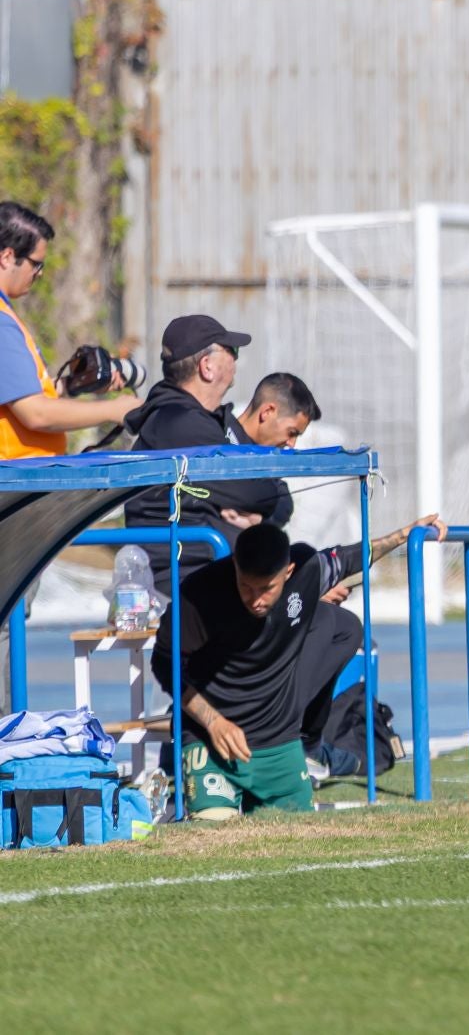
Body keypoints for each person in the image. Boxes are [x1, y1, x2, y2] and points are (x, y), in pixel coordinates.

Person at [157, 515, 445, 820]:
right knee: (213, 838)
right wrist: (214, 722)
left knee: (294, 841)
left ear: (288, 572)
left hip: (278, 744)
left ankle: (308, 742)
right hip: (212, 742)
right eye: (246, 586)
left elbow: (352, 557)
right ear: (235, 568)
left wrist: (403, 534)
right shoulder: (199, 596)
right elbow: (164, 665)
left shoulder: (308, 570)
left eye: (266, 588)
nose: (255, 600)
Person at [122, 316, 290, 595]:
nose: (236, 361)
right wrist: (254, 501)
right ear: (207, 366)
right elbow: (259, 493)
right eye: (231, 352)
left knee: (310, 570)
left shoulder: (204, 420)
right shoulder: (180, 423)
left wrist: (256, 510)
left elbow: (274, 495)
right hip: (185, 578)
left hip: (209, 566)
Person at [0, 201, 140, 459]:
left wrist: (73, 385)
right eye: (36, 264)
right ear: (7, 257)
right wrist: (114, 410)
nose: (39, 274)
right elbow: (36, 414)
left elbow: (15, 396)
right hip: (11, 487)